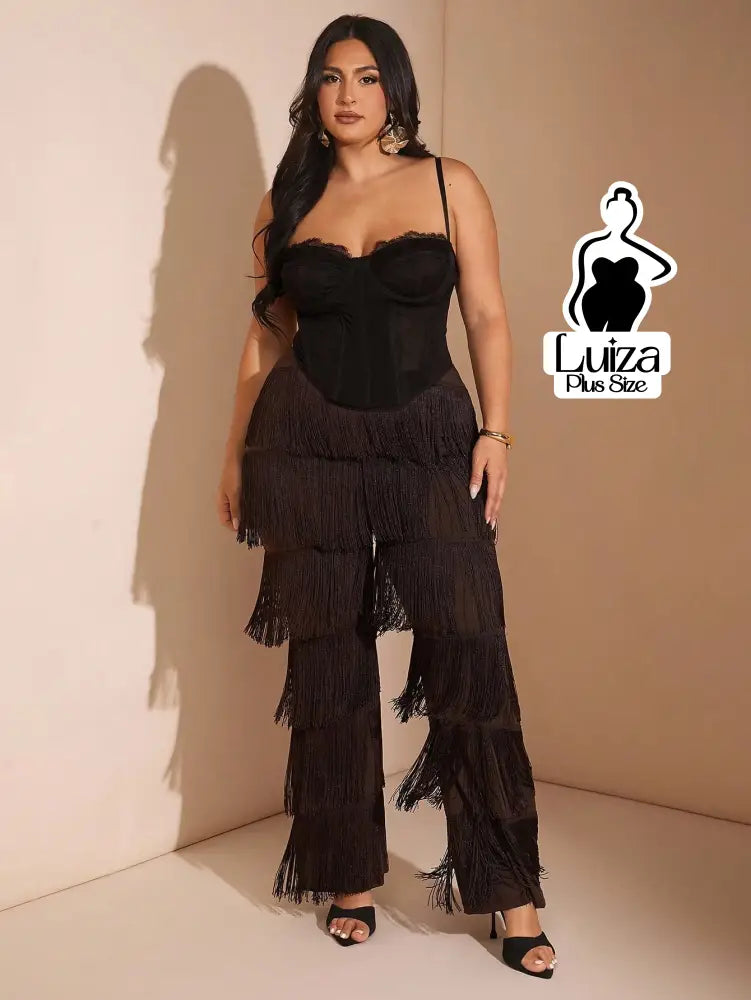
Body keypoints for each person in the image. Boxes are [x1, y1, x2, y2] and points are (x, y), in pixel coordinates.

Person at [216, 13, 557, 979]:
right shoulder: (285, 200)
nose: (349, 94)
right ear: (312, 93)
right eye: (331, 77)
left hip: (429, 438)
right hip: (307, 445)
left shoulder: (450, 184)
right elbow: (264, 336)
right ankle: (348, 877)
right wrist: (233, 454)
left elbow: (485, 312)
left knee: (467, 652)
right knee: (328, 662)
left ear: (395, 88)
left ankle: (511, 892)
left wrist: (496, 431)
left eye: (367, 76)